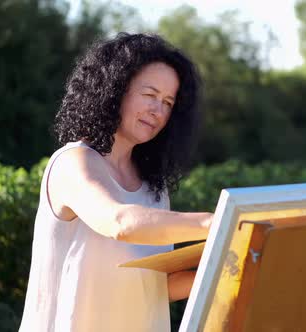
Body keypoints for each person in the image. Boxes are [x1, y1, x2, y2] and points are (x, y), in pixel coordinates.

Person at [19, 33, 213, 332]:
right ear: (115, 89)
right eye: (149, 95)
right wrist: (217, 223)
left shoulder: (154, 189)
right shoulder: (73, 162)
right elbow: (119, 221)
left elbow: (156, 287)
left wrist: (224, 267)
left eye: (167, 102)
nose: (158, 110)